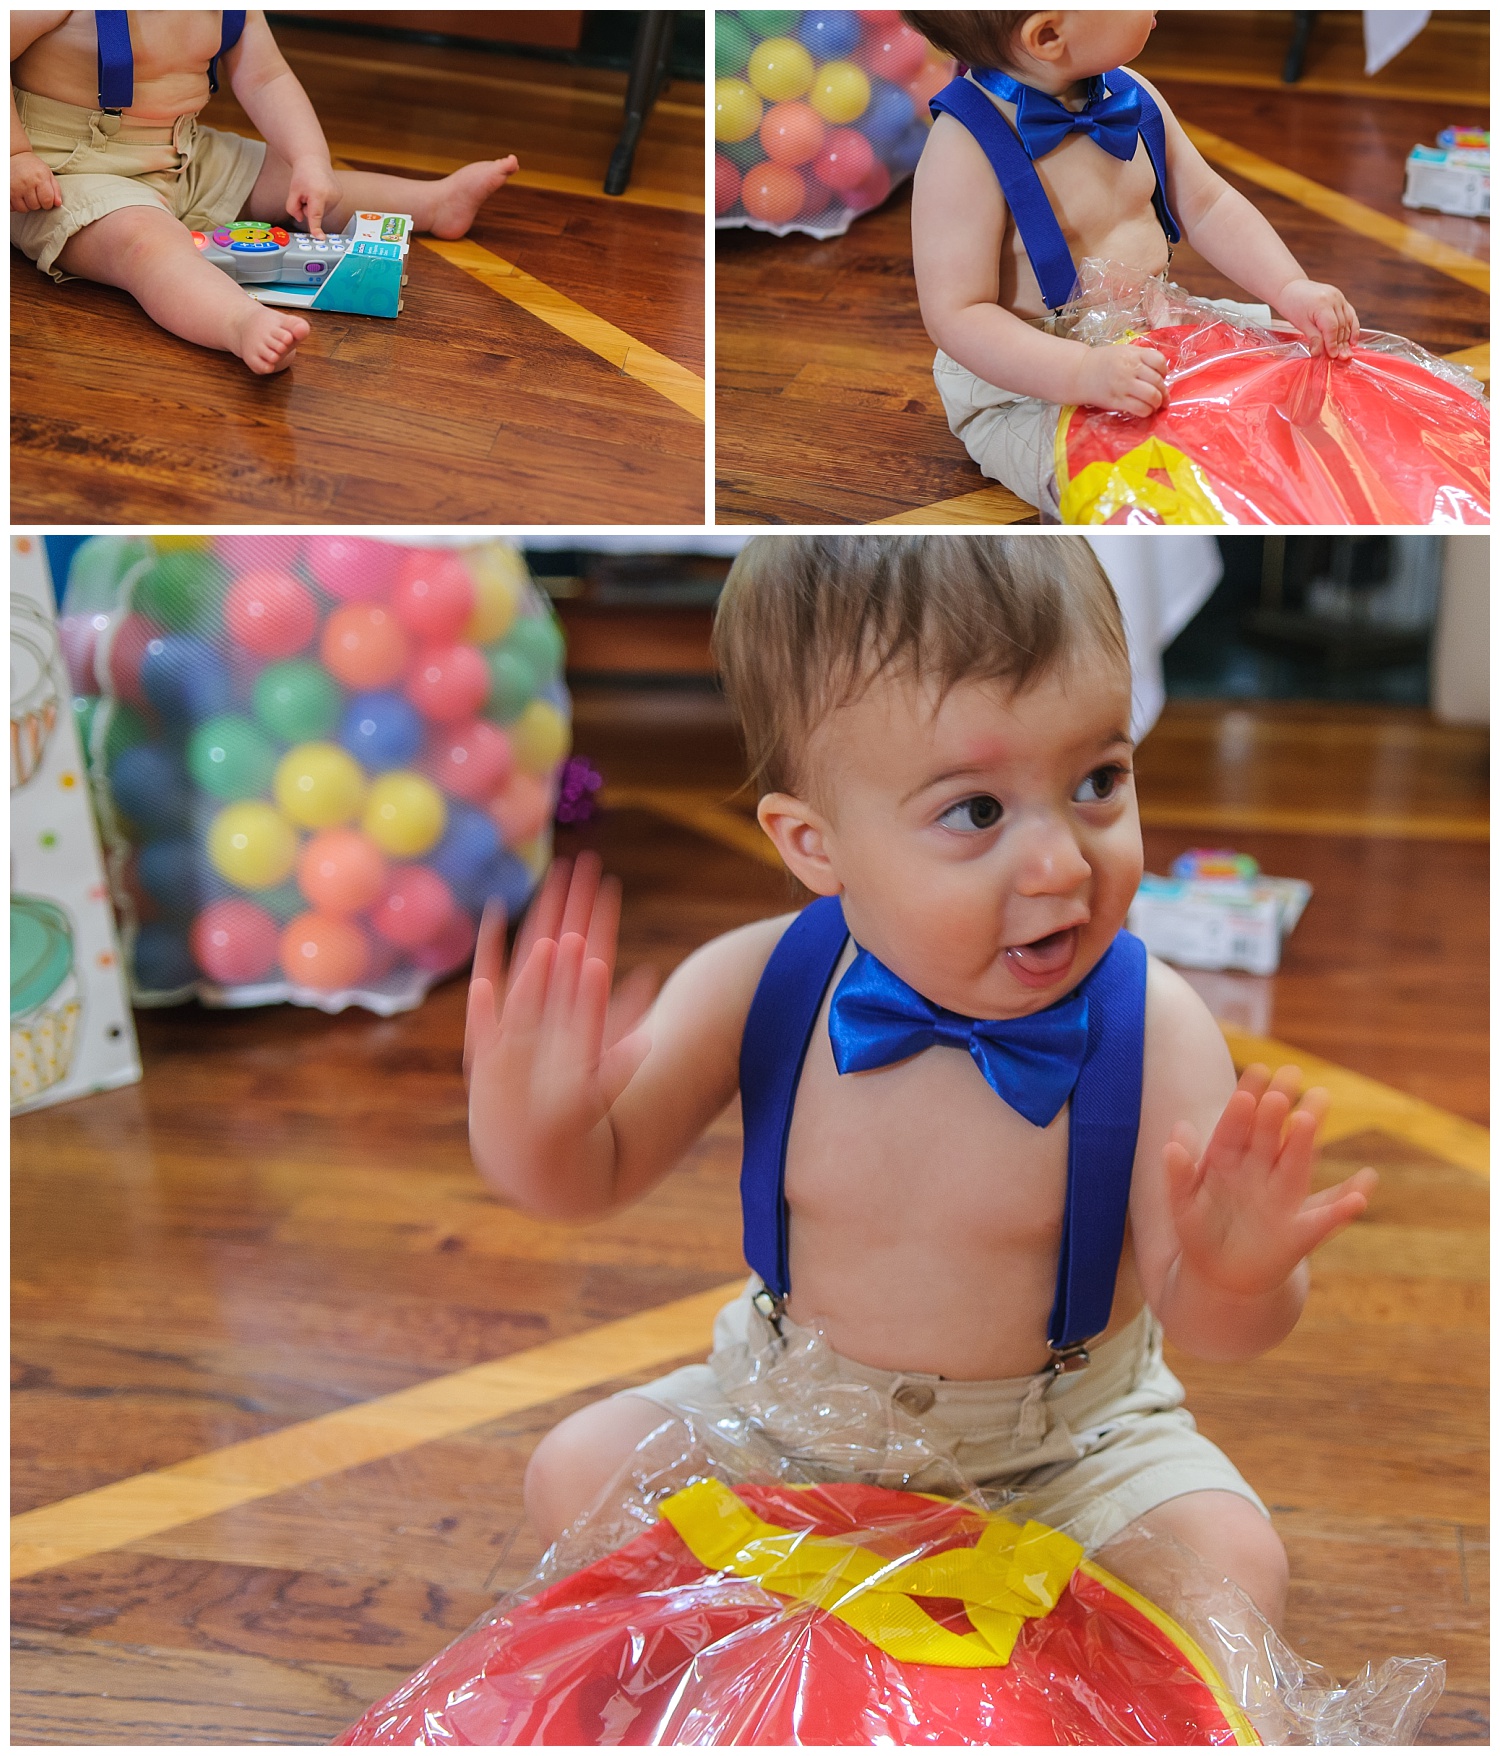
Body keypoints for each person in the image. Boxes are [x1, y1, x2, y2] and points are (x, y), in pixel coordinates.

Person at [465, 535, 1375, 1628]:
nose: (1062, 864)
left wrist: (1234, 1275)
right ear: (814, 843)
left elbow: (1217, 1326)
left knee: (1229, 1560)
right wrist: (530, 1127)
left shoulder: (1156, 1024)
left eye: (1098, 780)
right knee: (577, 1468)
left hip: (1064, 1446)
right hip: (787, 1410)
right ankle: (758, 1679)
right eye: (977, 811)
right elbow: (588, 1178)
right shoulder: (759, 980)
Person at [902, 11, 1359, 517]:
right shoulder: (962, 149)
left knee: (1299, 383)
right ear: (1049, 35)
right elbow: (958, 315)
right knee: (1140, 495)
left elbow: (1207, 205)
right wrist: (1083, 372)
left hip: (1155, 324)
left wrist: (1289, 286)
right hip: (1030, 383)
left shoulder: (1130, 94)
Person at [11, 10, 519, 373]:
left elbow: (267, 78)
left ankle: (434, 203)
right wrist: (14, 155)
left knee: (292, 180)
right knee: (144, 243)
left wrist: (310, 161)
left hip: (181, 152)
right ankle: (237, 321)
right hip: (60, 172)